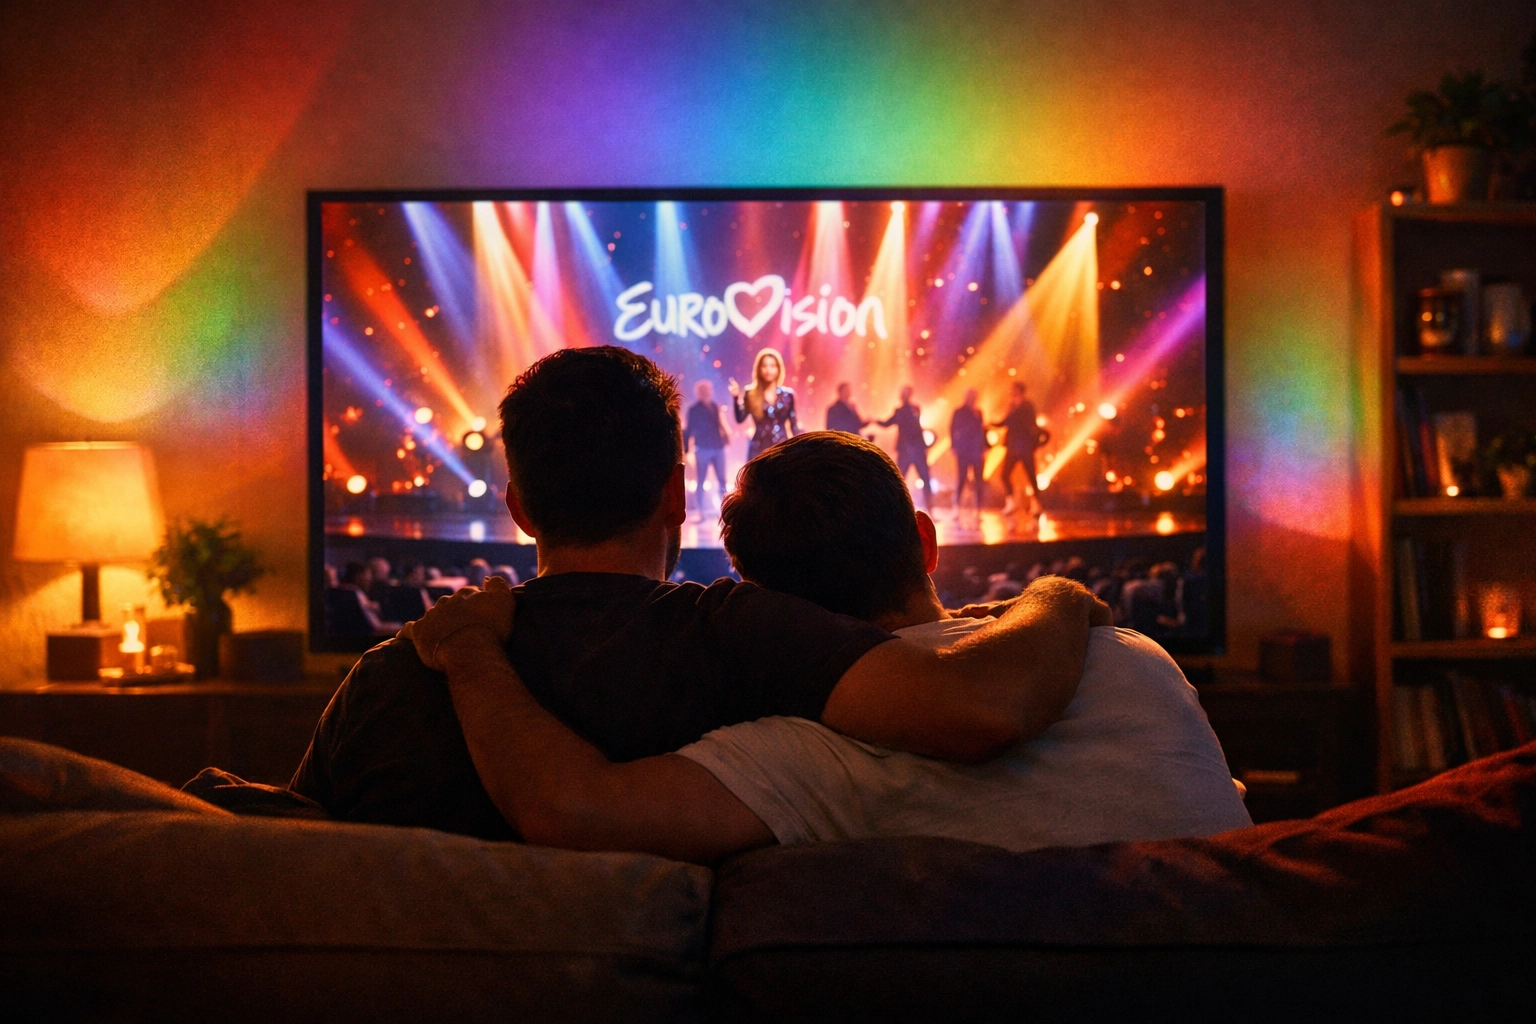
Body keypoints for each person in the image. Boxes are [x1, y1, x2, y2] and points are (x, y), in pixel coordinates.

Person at [292, 347, 1097, 841]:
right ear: (679, 495)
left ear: (519, 509)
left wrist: (467, 649)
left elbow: (298, 847)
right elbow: (980, 708)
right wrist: (1060, 592)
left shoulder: (387, 676)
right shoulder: (742, 638)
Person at [408, 433, 1249, 864]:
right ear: (925, 543)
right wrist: (1057, 594)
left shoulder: (810, 758)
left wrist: (475, 650)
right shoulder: (1138, 660)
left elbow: (571, 810)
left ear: (770, 601)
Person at [728, 347, 798, 462]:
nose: (768, 370)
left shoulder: (788, 395)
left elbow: (794, 425)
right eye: (764, 366)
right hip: (758, 448)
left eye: (772, 366)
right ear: (759, 369)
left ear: (778, 369)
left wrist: (805, 444)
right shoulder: (750, 393)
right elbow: (740, 418)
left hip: (782, 447)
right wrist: (736, 398)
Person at [992, 381, 1047, 516]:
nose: (1011, 392)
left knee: (1031, 477)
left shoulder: (1027, 406)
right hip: (1013, 447)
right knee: (1004, 475)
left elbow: (1030, 424)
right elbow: (1006, 422)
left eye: (1014, 389)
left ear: (1020, 390)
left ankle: (1037, 505)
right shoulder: (1012, 406)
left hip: (1025, 446)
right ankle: (1011, 502)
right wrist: (993, 424)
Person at [879, 385, 932, 510]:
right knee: (899, 479)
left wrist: (924, 446)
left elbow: (918, 428)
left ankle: (930, 508)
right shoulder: (899, 411)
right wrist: (874, 421)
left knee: (925, 478)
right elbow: (887, 423)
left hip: (917, 449)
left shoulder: (915, 409)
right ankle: (896, 507)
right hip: (905, 450)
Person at [682, 379, 730, 517]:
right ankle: (701, 510)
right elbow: (689, 429)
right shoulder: (694, 409)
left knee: (721, 479)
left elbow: (719, 424)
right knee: (702, 479)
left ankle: (725, 509)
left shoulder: (714, 406)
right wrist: (686, 449)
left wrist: (725, 436)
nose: (708, 392)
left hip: (716, 446)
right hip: (703, 447)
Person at [949, 388, 987, 519]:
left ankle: (978, 510)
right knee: (961, 478)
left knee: (978, 480)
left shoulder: (978, 412)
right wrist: (954, 445)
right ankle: (956, 508)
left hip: (976, 450)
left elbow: (981, 431)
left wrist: (983, 448)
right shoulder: (959, 412)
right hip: (964, 449)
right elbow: (952, 428)